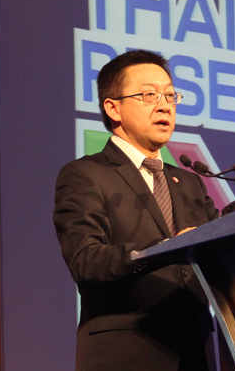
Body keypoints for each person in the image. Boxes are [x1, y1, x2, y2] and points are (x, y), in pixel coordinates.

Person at [53, 50, 220, 371]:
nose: (165, 105)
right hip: (127, 352)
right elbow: (86, 260)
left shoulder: (189, 182)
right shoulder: (85, 174)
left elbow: (221, 255)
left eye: (170, 96)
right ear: (113, 108)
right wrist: (165, 248)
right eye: (149, 95)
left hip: (195, 354)